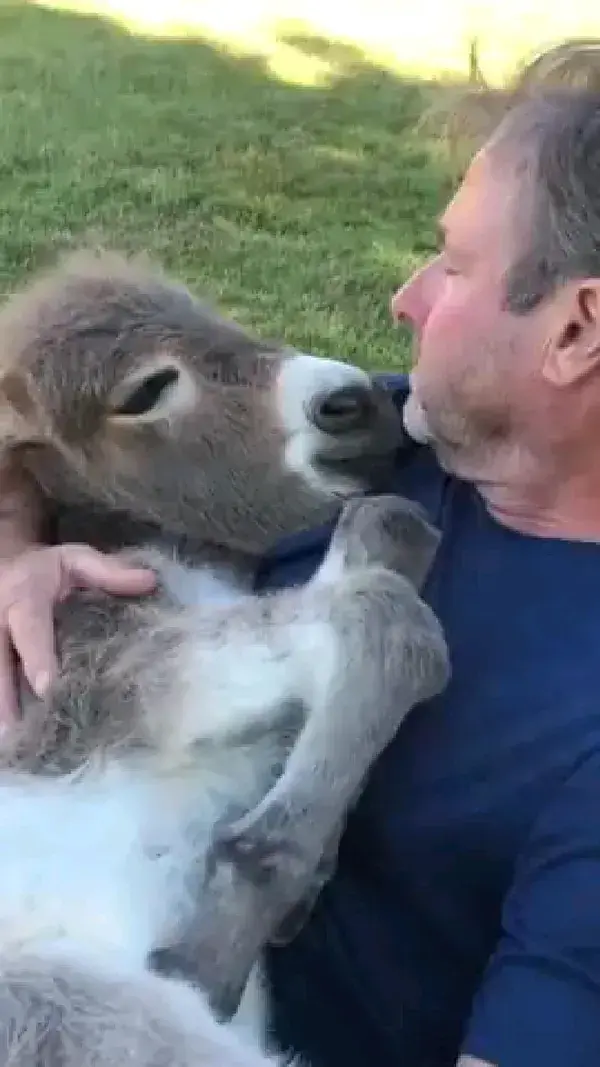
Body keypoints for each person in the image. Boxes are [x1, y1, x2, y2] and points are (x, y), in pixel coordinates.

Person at [3, 68, 600, 1067]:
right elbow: (51, 431)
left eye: (451, 267)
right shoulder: (417, 439)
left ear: (579, 330)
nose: (402, 298)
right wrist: (15, 550)